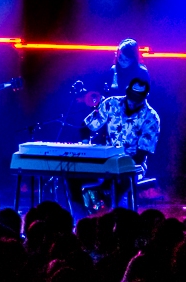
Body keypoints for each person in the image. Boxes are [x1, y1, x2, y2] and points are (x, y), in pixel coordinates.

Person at [68, 78, 160, 216]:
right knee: (72, 176)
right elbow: (86, 127)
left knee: (118, 183)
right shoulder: (111, 103)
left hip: (131, 165)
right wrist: (86, 147)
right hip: (105, 160)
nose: (133, 101)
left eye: (137, 98)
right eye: (131, 96)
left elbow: (141, 155)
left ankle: (112, 217)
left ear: (145, 97)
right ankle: (81, 217)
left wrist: (114, 169)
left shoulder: (151, 118)